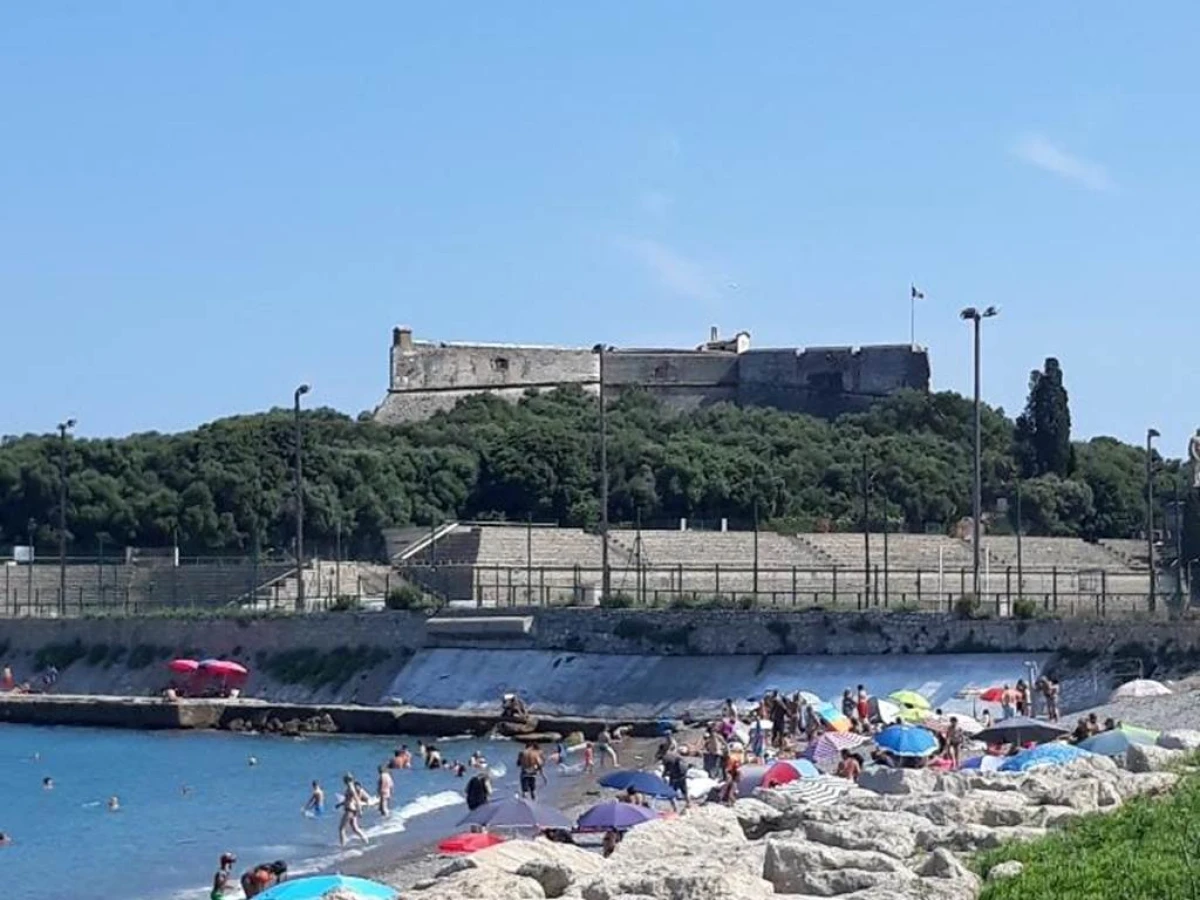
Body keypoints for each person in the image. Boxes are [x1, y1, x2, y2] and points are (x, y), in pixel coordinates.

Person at [337, 776, 369, 847]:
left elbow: (356, 799)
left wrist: (360, 810)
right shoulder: (350, 787)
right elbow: (348, 799)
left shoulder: (351, 788)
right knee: (355, 828)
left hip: (349, 810)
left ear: (347, 780)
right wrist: (340, 804)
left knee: (341, 828)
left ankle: (343, 845)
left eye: (344, 780)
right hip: (352, 810)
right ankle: (366, 840)